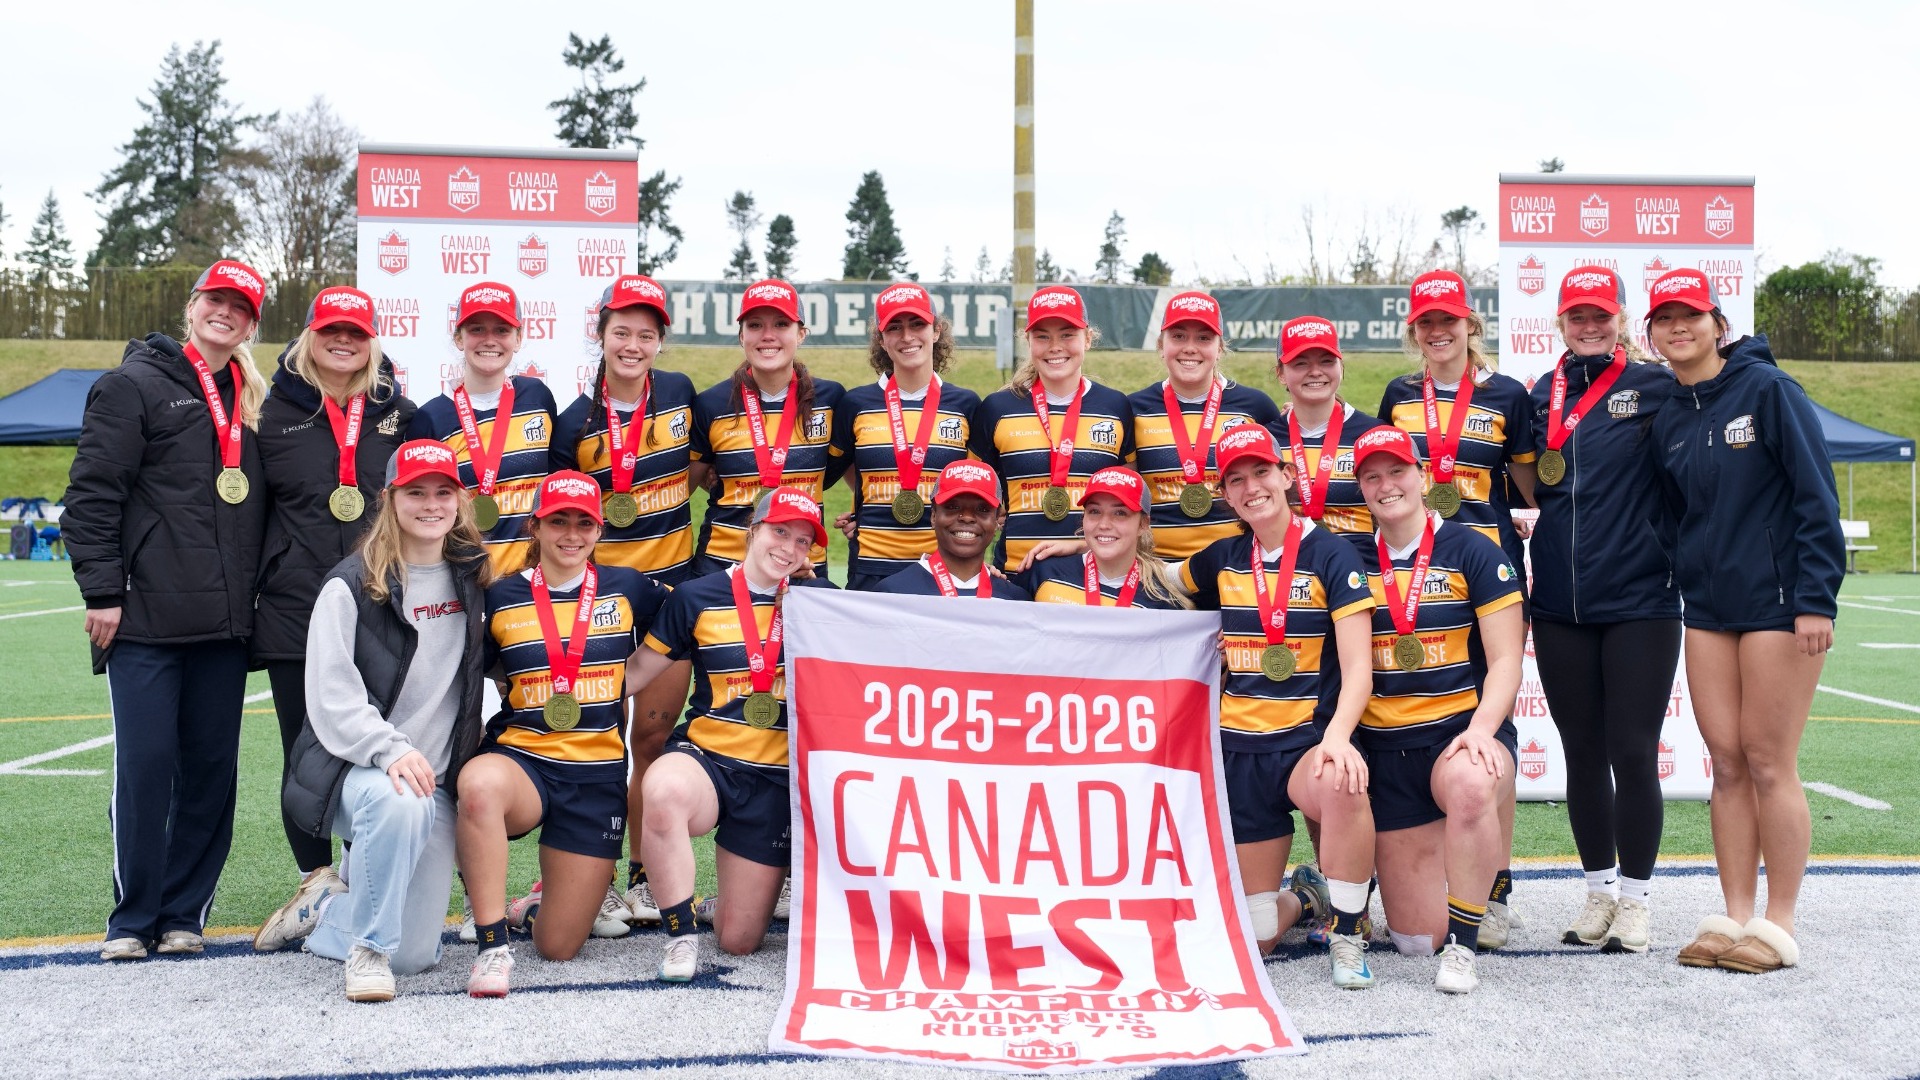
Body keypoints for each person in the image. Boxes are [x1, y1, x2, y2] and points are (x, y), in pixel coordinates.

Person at [65, 259, 270, 961]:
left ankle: (184, 913)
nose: (225, 313)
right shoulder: (132, 385)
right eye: (216, 300)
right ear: (192, 306)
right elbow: (92, 495)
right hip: (145, 620)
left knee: (211, 772)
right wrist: (102, 592)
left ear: (252, 324)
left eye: (240, 307)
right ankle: (132, 917)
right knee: (147, 766)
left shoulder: (254, 398)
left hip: (226, 626)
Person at [1646, 268, 1844, 974]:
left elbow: (1816, 499)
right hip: (1707, 609)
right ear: (1651, 333)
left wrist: (1816, 598)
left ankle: (1778, 923)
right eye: (1665, 318)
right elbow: (1672, 515)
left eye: (1691, 315)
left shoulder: (1769, 390)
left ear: (1718, 323)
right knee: (1725, 762)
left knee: (1767, 760)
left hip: (1779, 605)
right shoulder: (1668, 414)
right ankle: (1733, 915)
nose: (1679, 327)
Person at [255, 440, 494, 1002]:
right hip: (356, 774)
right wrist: (391, 751)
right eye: (416, 492)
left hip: (434, 784)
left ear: (461, 501)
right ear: (389, 499)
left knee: (416, 956)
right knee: (398, 800)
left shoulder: (474, 579)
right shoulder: (350, 584)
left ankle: (328, 908)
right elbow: (333, 700)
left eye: (443, 492)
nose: (431, 504)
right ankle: (367, 953)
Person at [1173, 425, 1378, 988]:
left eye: (1261, 472)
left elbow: (1358, 668)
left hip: (1305, 744)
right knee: (1258, 939)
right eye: (1236, 480)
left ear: (1286, 475)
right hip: (1239, 752)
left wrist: (1337, 738)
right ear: (1224, 493)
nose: (1251, 488)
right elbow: (1154, 576)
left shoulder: (1332, 552)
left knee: (1343, 780)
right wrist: (1080, 548)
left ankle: (1348, 933)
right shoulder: (1223, 557)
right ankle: (1308, 898)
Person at [456, 471, 671, 997]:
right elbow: (471, 667)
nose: (571, 535)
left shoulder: (630, 587)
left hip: (595, 777)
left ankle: (532, 909)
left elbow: (701, 612)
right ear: (535, 526)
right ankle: (491, 945)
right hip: (523, 762)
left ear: (599, 530)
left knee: (558, 946)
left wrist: (791, 585)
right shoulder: (500, 595)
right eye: (558, 522)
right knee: (478, 785)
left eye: (583, 523)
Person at [251, 286, 415, 936]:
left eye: (355, 332)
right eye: (330, 330)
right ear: (309, 336)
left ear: (371, 342)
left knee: (381, 743)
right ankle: (315, 880)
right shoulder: (268, 414)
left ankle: (365, 873)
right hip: (295, 607)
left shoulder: (399, 414)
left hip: (379, 607)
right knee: (305, 748)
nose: (342, 341)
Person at [1527, 266, 1681, 954]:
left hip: (1640, 599)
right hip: (1560, 601)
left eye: (1600, 315)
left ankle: (1637, 901)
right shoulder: (1540, 393)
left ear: (1621, 318)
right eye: (1577, 316)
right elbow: (1527, 479)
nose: (1589, 326)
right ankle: (1598, 892)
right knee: (1581, 752)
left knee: (1633, 751)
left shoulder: (1656, 386)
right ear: (1560, 322)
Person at [1378, 270, 1535, 945]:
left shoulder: (1507, 394)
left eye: (1450, 320)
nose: (1439, 332)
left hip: (1486, 576)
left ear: (1471, 324)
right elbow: (1387, 480)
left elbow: (1525, 482)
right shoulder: (1397, 396)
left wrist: (1516, 520)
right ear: (1414, 331)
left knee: (1491, 724)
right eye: (1427, 323)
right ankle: (1431, 866)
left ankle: (1495, 889)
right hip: (1417, 579)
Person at [628, 487, 838, 981]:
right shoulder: (696, 596)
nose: (788, 548)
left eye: (803, 541)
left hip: (774, 779)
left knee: (739, 940)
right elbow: (636, 672)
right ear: (753, 529)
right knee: (663, 789)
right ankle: (680, 935)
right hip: (708, 758)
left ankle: (721, 905)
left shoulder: (822, 601)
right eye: (779, 532)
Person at [1351, 425, 1525, 994]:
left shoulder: (1474, 549)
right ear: (1361, 489)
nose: (1387, 485)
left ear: (1422, 476)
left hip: (1457, 735)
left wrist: (1483, 730)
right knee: (1413, 939)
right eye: (1372, 477)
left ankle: (1466, 945)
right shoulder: (1350, 558)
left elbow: (1507, 660)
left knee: (1473, 783)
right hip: (1387, 751)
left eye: (1397, 471)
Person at [549, 274, 700, 924]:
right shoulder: (573, 422)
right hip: (602, 605)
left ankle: (643, 873)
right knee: (596, 741)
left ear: (660, 341)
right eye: (621, 332)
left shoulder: (685, 396)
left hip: (671, 596)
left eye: (645, 334)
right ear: (602, 334)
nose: (632, 345)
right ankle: (597, 876)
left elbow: (707, 468)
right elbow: (561, 519)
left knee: (654, 737)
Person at [689, 279, 846, 577]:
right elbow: (684, 485)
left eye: (781, 324)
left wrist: (861, 516)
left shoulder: (831, 400)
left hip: (801, 566)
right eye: (755, 325)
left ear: (801, 334)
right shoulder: (711, 404)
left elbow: (857, 474)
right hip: (723, 565)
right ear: (742, 336)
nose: (768, 335)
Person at [971, 285, 1134, 571]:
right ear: (1028, 341)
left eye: (1067, 335)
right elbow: (971, 497)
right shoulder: (997, 408)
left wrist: (1082, 545)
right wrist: (976, 564)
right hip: (1015, 574)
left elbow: (1131, 504)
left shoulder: (1116, 407)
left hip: (1094, 573)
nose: (1055, 346)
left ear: (1088, 339)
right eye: (1042, 336)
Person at [832, 282, 981, 591]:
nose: (907, 336)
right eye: (894, 327)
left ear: (936, 331)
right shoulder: (855, 403)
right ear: (881, 339)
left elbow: (977, 483)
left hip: (945, 568)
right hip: (871, 569)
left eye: (917, 324)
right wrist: (872, 502)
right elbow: (841, 465)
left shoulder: (966, 405)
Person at [409, 281, 558, 576]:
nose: (489, 340)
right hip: (463, 580)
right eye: (477, 329)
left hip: (534, 581)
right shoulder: (431, 417)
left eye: (501, 330)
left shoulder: (538, 397)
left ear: (518, 338)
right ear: (459, 338)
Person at [1127, 290, 1280, 559]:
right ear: (1161, 345)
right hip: (1157, 568)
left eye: (1203, 338)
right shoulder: (1133, 409)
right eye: (1178, 336)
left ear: (1219, 348)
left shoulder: (1256, 407)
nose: (1190, 347)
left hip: (1239, 566)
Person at [1270, 316, 1382, 554]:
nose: (1315, 372)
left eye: (1327, 361)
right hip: (1285, 573)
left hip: (1362, 570)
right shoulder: (1267, 440)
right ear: (1281, 373)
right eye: (1300, 363)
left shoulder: (1375, 435)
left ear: (1341, 366)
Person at [1015, 467, 1189, 609]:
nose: (1104, 524)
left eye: (1120, 513)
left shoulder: (1164, 600)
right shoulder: (1044, 572)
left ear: (1143, 524)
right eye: (1095, 511)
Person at [874, 460, 1032, 600]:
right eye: (952, 507)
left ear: (997, 520)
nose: (967, 518)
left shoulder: (1014, 600)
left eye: (982, 509)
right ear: (934, 516)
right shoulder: (892, 593)